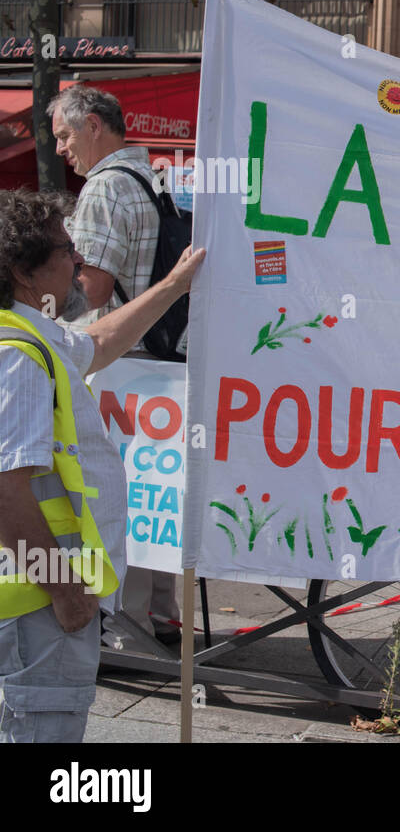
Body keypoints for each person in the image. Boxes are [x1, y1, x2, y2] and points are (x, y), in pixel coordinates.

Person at [0, 188, 204, 741]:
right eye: (69, 251)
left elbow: (97, 341)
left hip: (36, 602)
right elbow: (6, 494)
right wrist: (66, 593)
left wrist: (173, 286)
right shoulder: (17, 357)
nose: (81, 262)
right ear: (24, 271)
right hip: (37, 605)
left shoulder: (33, 336)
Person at [49, 83, 182, 646]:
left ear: (93, 126)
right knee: (157, 493)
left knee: (112, 490)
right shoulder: (156, 177)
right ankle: (161, 615)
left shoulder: (104, 187)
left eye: (64, 135)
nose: (61, 150)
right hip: (158, 359)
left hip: (113, 358)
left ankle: (121, 627)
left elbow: (92, 285)